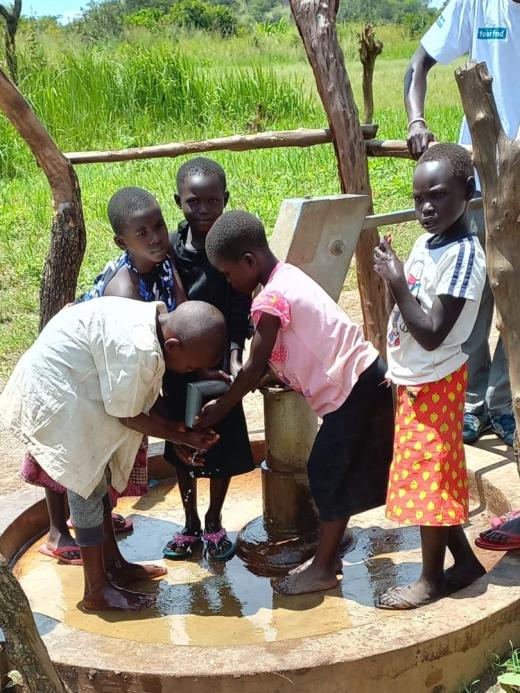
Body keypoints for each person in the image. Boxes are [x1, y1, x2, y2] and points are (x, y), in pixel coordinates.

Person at [195, 209, 394, 595]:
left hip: (353, 386)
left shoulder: (268, 300)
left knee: (325, 471)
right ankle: (331, 553)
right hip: (365, 378)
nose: (228, 280)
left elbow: (254, 365)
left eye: (228, 272)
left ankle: (323, 567)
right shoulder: (286, 276)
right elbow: (289, 350)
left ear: (249, 262)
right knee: (336, 470)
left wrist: (223, 407)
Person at [0, 298, 227, 611]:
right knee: (87, 481)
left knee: (100, 476)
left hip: (80, 385)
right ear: (173, 346)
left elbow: (142, 397)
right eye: (189, 366)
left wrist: (179, 434)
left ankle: (113, 565)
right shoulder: (137, 348)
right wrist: (177, 436)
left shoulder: (155, 329)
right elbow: (128, 414)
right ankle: (96, 590)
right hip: (58, 389)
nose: (187, 372)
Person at [21, 187, 186, 566]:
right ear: (121, 242)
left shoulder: (163, 261)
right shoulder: (123, 289)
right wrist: (176, 429)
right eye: (142, 233)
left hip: (109, 373)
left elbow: (182, 309)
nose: (156, 237)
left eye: (159, 226)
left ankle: (98, 534)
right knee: (73, 458)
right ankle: (60, 531)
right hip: (80, 378)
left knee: (103, 460)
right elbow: (125, 382)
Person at [374, 143, 487, 610]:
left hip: (437, 380)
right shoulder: (429, 241)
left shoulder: (463, 255)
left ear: (468, 190)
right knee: (430, 478)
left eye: (438, 196)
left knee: (428, 482)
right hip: (417, 380)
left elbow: (434, 333)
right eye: (419, 197)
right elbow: (411, 318)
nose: (426, 208)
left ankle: (429, 580)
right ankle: (463, 563)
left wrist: (396, 281)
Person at [404, 0, 520, 448]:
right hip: (478, 173)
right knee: (471, 294)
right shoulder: (477, 4)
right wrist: (417, 120)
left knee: (517, 298)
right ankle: (472, 402)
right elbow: (417, 64)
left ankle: (503, 401)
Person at [161, 157, 254, 562]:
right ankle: (189, 523)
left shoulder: (231, 247)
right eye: (193, 202)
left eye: (212, 202)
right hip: (180, 364)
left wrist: (234, 357)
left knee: (222, 442)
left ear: (225, 200)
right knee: (182, 439)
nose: (202, 211)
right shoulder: (173, 252)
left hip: (218, 366)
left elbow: (239, 305)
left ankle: (215, 521)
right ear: (178, 201)